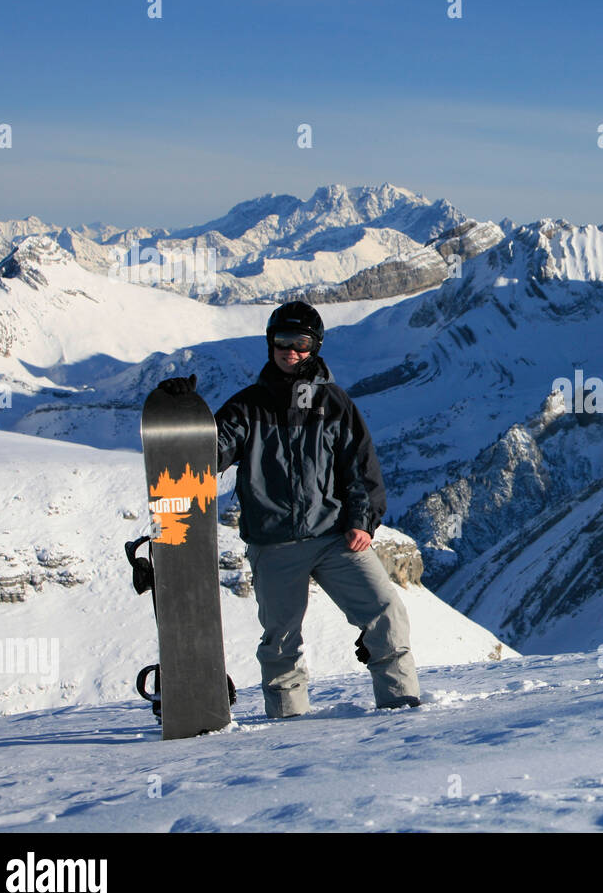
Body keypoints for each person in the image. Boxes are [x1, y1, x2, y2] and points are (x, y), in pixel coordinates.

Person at [158, 301, 420, 718]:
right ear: (270, 343)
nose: (291, 351)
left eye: (301, 343)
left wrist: (362, 522)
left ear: (315, 347)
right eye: (283, 341)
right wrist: (182, 418)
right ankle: (288, 726)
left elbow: (360, 468)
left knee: (385, 612)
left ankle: (400, 706)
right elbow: (213, 453)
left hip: (335, 536)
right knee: (281, 640)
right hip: (274, 542)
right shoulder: (248, 407)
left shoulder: (334, 404)